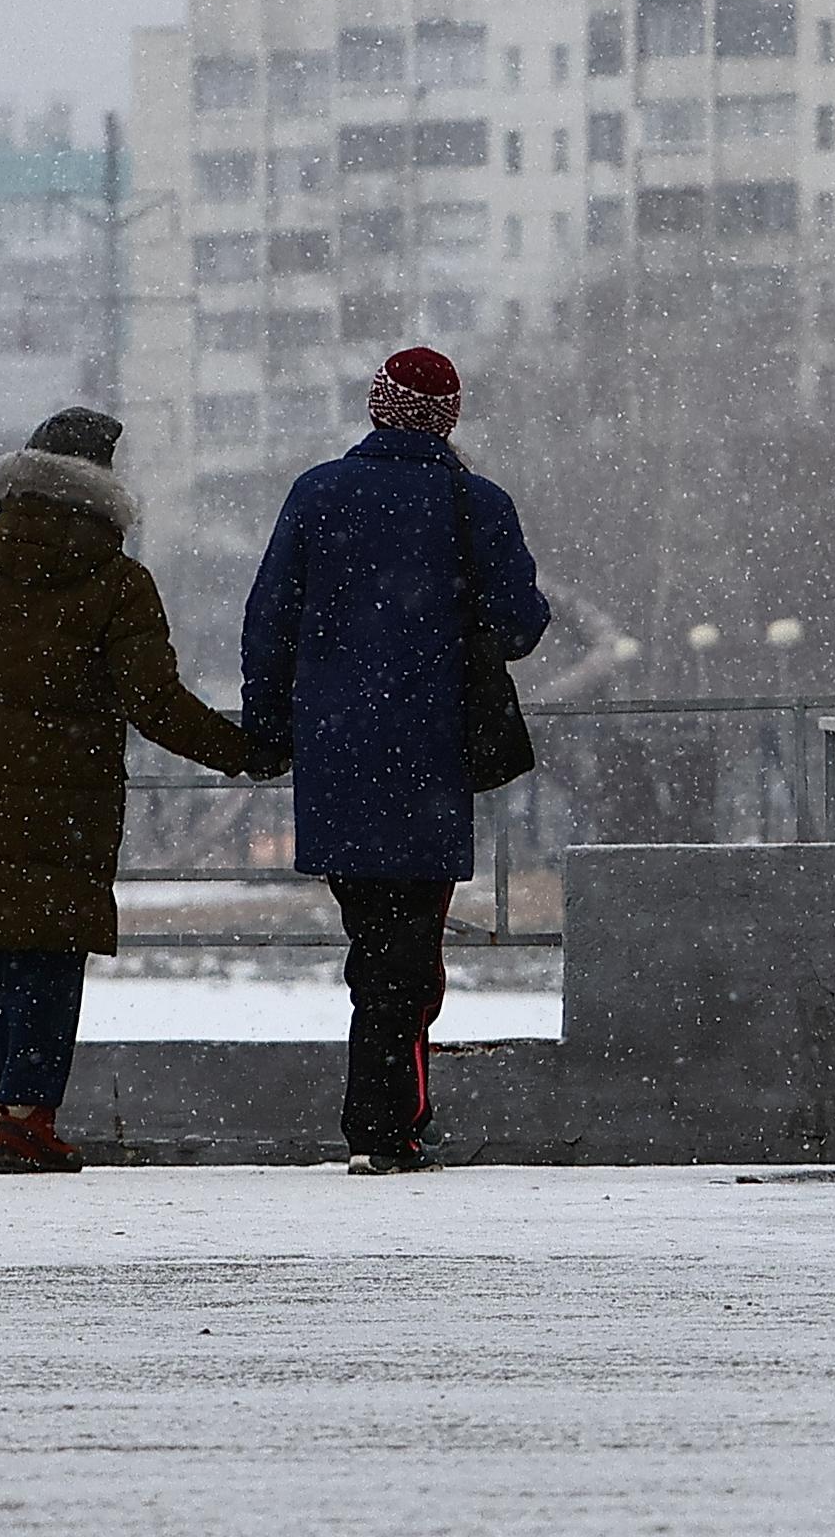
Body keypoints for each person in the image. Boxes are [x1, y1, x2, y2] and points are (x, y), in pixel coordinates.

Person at [0, 406, 282, 1175]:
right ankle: (28, 1120)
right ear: (104, 487)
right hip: (68, 805)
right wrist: (242, 750)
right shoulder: (118, 584)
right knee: (50, 962)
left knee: (5, 959)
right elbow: (156, 704)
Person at [240, 346, 549, 1173]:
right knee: (406, 953)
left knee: (376, 943)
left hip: (337, 758)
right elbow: (521, 626)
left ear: (376, 407)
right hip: (431, 758)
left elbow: (268, 619)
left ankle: (385, 1119)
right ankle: (386, 1126)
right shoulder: (476, 504)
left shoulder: (318, 493)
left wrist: (269, 727)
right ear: (449, 419)